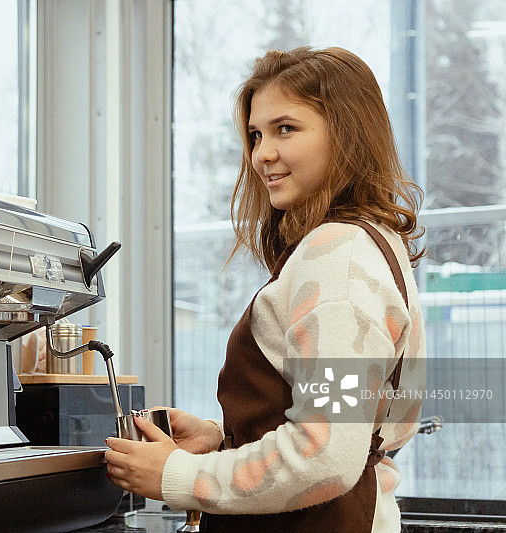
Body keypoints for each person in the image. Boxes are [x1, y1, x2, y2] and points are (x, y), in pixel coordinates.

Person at [105, 46, 426, 532]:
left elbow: (326, 456)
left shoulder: (339, 257)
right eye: (256, 134)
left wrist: (177, 474)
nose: (261, 154)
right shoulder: (370, 243)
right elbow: (342, 429)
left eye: (286, 129)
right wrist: (222, 440)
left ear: (347, 135)